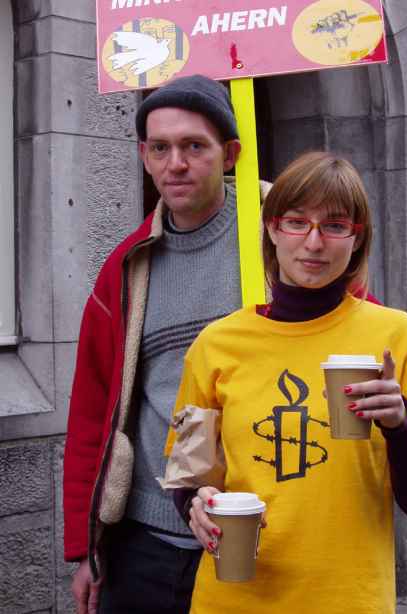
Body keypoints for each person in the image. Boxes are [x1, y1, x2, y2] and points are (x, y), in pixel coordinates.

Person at [170, 151, 407, 614]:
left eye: (335, 225)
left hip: (348, 598)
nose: (313, 242)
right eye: (296, 222)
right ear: (271, 228)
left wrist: (400, 426)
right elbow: (190, 473)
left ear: (356, 240)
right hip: (234, 598)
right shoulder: (216, 344)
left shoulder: (397, 337)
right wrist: (195, 504)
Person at [63, 74, 247, 614]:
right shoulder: (126, 267)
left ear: (230, 153)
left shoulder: (281, 239)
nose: (176, 164)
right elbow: (92, 414)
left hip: (254, 524)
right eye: (161, 148)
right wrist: (85, 548)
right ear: (144, 155)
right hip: (148, 541)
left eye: (195, 146)